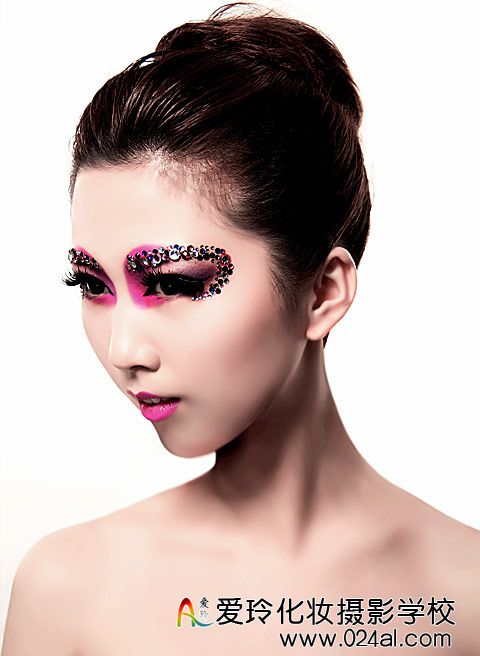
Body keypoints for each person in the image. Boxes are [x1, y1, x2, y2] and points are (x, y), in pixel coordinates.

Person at [2, 3, 479, 654]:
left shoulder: (463, 599)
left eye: (173, 283)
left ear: (322, 292)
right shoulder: (69, 590)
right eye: (93, 286)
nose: (124, 350)